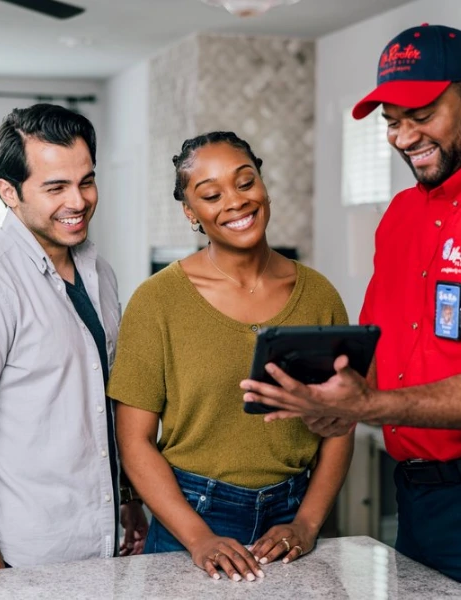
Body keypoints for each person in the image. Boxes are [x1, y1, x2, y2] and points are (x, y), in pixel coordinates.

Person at [240, 23, 461, 600]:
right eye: (391, 121)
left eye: (422, 115)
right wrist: (333, 406)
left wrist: (371, 405)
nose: (404, 137)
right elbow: (386, 354)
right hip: (418, 500)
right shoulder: (401, 215)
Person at [107, 132, 354, 582]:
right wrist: (199, 538)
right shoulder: (157, 301)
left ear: (263, 185)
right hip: (189, 517)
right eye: (211, 195)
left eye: (245, 182)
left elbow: (341, 424)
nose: (236, 201)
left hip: (293, 520)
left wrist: (306, 523)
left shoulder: (319, 296)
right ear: (191, 212)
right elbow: (134, 441)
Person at [0, 103, 147, 571]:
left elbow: (103, 403)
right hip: (18, 557)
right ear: (9, 192)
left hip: (100, 547)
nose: (78, 201)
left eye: (86, 181)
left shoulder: (100, 273)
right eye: (56, 187)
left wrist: (128, 497)